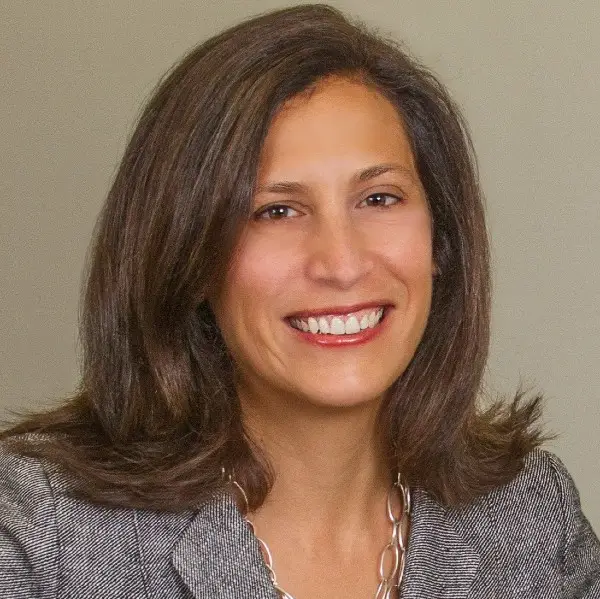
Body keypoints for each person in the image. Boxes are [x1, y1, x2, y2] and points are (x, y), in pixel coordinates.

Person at [0, 4, 598, 598]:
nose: (341, 263)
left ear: (439, 239)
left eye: (380, 198)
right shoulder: (41, 536)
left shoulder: (528, 525)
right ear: (189, 256)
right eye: (275, 211)